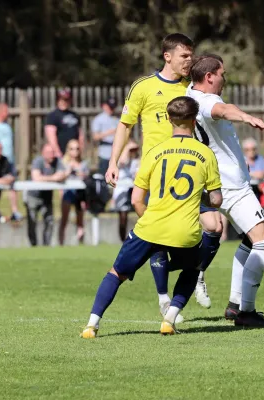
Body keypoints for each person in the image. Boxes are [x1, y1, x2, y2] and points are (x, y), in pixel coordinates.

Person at [81, 96, 222, 339]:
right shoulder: (205, 154)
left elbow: (136, 200)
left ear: (169, 119)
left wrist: (154, 223)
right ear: (194, 120)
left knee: (116, 273)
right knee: (192, 269)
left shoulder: (155, 152)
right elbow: (217, 200)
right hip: (185, 232)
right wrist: (201, 198)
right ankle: (169, 319)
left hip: (150, 227)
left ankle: (91, 325)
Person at [105, 33, 207, 320]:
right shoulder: (144, 87)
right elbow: (125, 125)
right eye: (185, 56)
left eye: (191, 55)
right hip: (156, 174)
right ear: (168, 56)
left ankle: (197, 274)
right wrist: (114, 161)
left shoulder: (192, 88)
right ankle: (164, 296)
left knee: (213, 225)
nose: (190, 60)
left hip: (190, 168)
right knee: (154, 232)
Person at [187, 54, 264, 327]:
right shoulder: (207, 101)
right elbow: (223, 110)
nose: (225, 78)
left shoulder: (189, 94)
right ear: (210, 76)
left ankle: (235, 303)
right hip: (232, 185)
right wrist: (247, 117)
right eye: (222, 73)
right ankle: (245, 312)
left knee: (250, 241)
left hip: (220, 182)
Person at [25, 144, 67, 247]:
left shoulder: (57, 161)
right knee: (32, 222)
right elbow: (36, 177)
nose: (51, 155)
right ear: (43, 153)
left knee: (49, 221)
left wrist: (46, 178)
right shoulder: (38, 161)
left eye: (52, 152)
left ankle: (46, 245)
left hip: (47, 198)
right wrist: (53, 178)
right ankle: (33, 245)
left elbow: (62, 175)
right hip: (33, 196)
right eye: (49, 153)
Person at [58, 139, 89, 246]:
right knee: (64, 220)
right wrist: (69, 169)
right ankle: (61, 244)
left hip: (80, 194)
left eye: (77, 148)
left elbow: (86, 176)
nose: (74, 151)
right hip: (67, 193)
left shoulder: (84, 163)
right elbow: (60, 177)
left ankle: (81, 243)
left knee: (80, 221)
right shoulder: (63, 162)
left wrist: (79, 171)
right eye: (72, 149)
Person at [113, 139, 140, 242]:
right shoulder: (120, 159)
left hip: (134, 190)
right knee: (123, 218)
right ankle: (122, 241)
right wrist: (127, 148)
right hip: (122, 191)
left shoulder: (136, 161)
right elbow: (123, 161)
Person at [44, 89, 84, 158]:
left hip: (74, 153)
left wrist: (80, 148)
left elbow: (80, 133)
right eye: (62, 99)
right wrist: (57, 152)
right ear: (58, 100)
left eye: (66, 99)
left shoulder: (75, 115)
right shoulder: (53, 116)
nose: (64, 102)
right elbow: (51, 136)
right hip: (61, 153)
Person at [92, 98, 119, 175]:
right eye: (109, 107)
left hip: (116, 152)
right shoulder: (99, 119)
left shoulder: (117, 119)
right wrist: (109, 133)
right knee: (103, 175)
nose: (111, 109)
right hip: (104, 152)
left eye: (113, 107)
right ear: (104, 106)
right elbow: (95, 136)